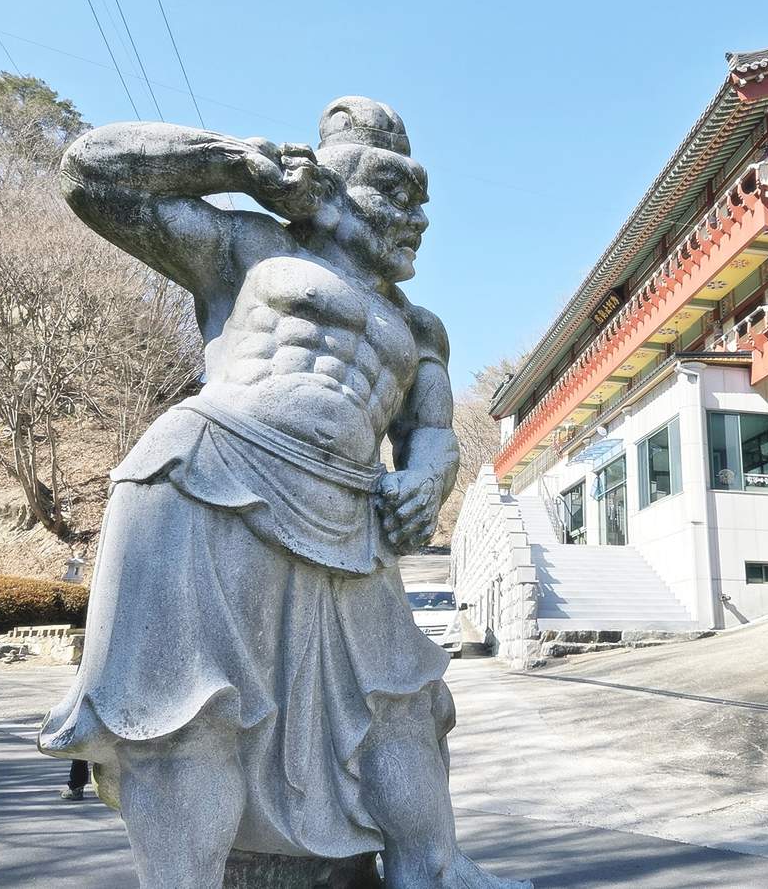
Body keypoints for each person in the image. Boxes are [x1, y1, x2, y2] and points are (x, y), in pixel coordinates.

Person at [37, 98, 529, 889]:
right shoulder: (248, 248)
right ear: (330, 190)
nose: (417, 219)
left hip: (350, 511)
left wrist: (427, 479)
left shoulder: (419, 328)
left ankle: (431, 869)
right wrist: (239, 164)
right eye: (395, 192)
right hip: (212, 473)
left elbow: (432, 430)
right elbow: (90, 174)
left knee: (402, 703)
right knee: (191, 707)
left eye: (422, 201)